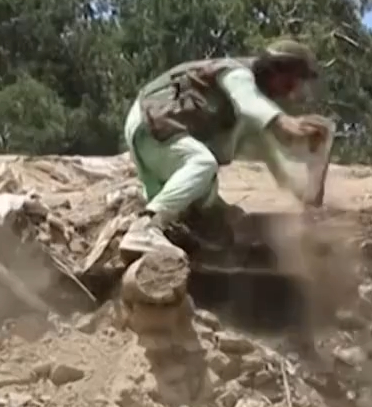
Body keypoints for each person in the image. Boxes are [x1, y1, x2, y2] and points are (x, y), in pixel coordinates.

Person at [118, 40, 331, 259]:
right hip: (154, 124)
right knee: (203, 164)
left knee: (221, 213)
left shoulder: (248, 115)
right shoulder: (237, 74)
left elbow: (277, 162)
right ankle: (145, 228)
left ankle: (179, 234)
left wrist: (311, 186)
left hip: (158, 138)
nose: (289, 93)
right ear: (274, 69)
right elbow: (250, 102)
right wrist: (284, 122)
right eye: (288, 83)